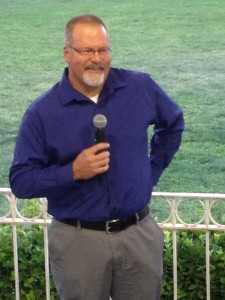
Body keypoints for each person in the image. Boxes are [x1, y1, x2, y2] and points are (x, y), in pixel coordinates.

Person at [9, 14, 184, 300]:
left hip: (139, 235)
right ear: (67, 53)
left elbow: (173, 123)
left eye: (103, 49)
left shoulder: (139, 88)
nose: (97, 58)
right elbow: (21, 181)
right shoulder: (43, 112)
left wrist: (150, 173)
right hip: (78, 243)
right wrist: (73, 172)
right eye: (87, 50)